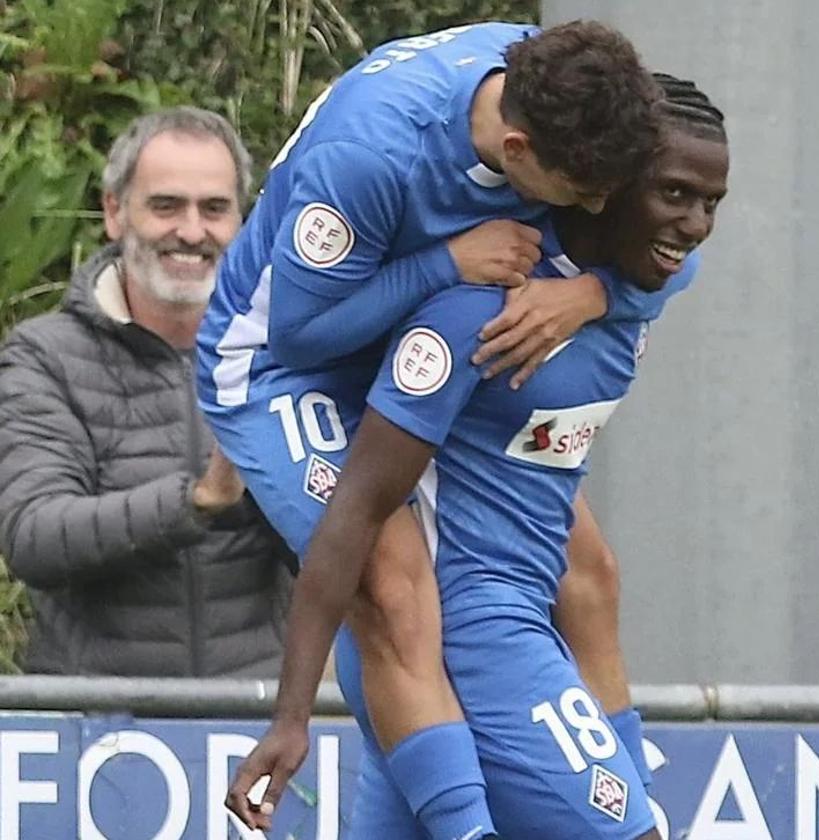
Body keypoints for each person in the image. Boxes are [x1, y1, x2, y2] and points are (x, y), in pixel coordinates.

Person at [228, 73, 729, 840]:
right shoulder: (480, 312)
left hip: (498, 636)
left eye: (711, 204)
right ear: (607, 188)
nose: (694, 226)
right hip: (465, 636)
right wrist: (292, 715)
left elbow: (586, 573)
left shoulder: (631, 291)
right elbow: (356, 511)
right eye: (674, 196)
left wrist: (594, 296)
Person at [0, 107, 293, 677]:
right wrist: (198, 501)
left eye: (214, 209)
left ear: (242, 220)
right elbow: (32, 535)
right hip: (96, 727)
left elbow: (345, 545)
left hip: (261, 724)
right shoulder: (43, 357)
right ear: (115, 212)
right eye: (166, 206)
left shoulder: (288, 353)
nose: (191, 231)